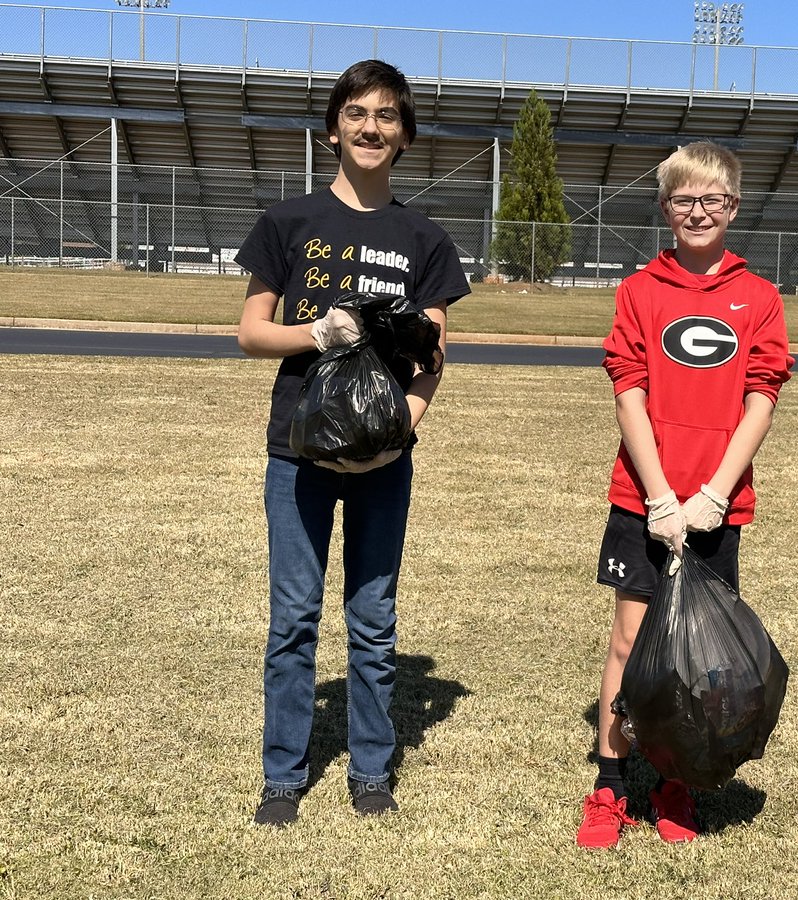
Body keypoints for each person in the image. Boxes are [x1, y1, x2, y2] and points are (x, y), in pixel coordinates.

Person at [235, 59, 469, 827]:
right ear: (333, 128)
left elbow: (433, 357)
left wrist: (399, 431)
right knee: (293, 620)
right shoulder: (288, 223)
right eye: (357, 113)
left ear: (404, 136)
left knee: (373, 621)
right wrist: (320, 332)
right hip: (297, 454)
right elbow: (250, 333)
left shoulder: (424, 240)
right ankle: (282, 777)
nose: (372, 127)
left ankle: (371, 769)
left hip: (383, 464)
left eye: (387, 115)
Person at [576, 141, 793, 849]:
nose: (698, 212)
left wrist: (714, 495)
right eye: (684, 200)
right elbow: (628, 392)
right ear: (665, 207)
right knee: (629, 640)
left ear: (734, 206)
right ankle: (610, 786)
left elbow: (762, 398)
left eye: (713, 200)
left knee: (700, 656)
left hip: (714, 508)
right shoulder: (640, 291)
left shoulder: (759, 297)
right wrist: (661, 498)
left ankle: (676, 783)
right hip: (644, 502)